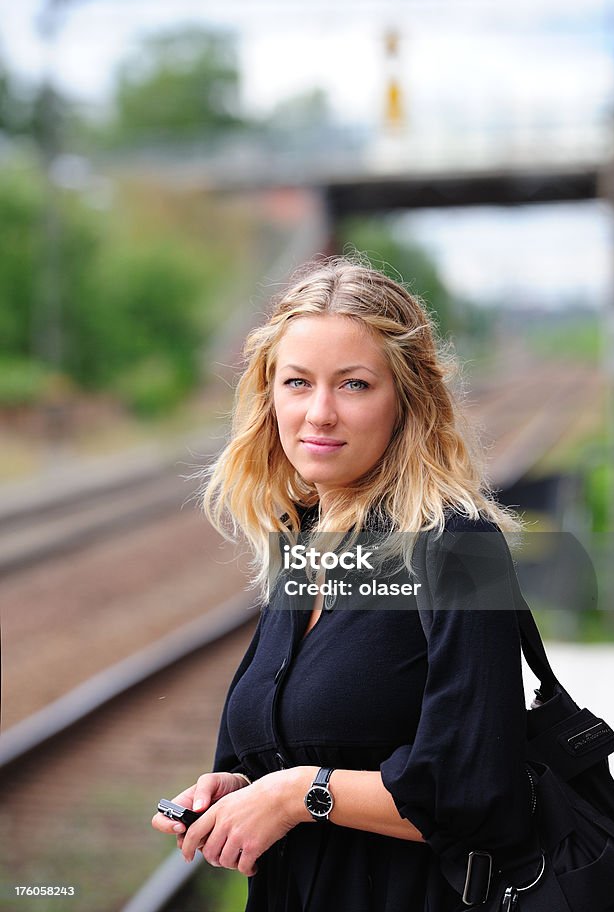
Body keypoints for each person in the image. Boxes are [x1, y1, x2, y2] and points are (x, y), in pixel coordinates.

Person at [151, 254, 536, 911]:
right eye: (297, 383)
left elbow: (474, 790)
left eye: (354, 385)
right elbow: (321, 736)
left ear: (406, 398)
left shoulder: (460, 548)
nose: (319, 413)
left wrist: (296, 793)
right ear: (268, 395)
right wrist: (243, 785)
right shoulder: (300, 546)